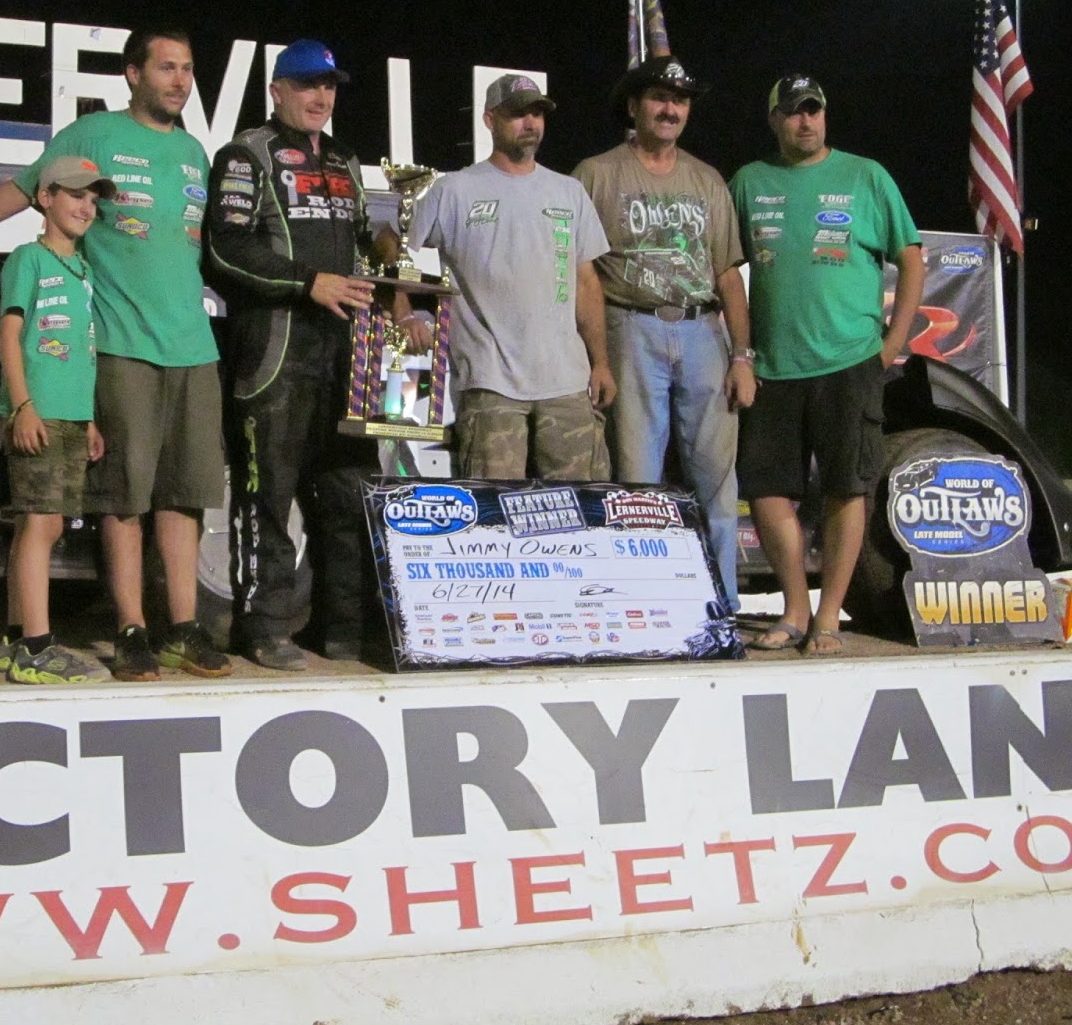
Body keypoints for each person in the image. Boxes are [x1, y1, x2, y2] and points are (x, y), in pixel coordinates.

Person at [0, 27, 231, 682]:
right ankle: (131, 629)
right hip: (124, 345)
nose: (180, 81)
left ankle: (183, 630)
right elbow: (14, 193)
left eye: (187, 69)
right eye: (166, 68)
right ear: (133, 73)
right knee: (123, 498)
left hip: (194, 346)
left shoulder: (194, 151)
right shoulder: (92, 136)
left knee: (184, 497)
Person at [203, 38, 403, 671]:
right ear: (278, 91)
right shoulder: (247, 154)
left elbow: (368, 248)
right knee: (267, 494)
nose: (321, 96)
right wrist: (307, 282)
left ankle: (342, 628)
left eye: (330, 86)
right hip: (276, 350)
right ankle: (262, 627)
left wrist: (399, 281)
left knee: (348, 493)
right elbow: (226, 250)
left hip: (347, 353)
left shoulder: (345, 160)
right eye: (308, 84)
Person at [729, 74, 925, 655]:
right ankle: (796, 607)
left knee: (846, 488)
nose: (806, 120)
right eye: (793, 112)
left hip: (850, 361)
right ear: (774, 119)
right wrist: (740, 353)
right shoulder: (748, 181)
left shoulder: (866, 176)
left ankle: (829, 615)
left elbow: (912, 261)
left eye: (813, 110)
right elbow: (724, 270)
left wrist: (890, 345)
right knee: (766, 492)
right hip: (772, 367)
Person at [573, 54, 754, 611]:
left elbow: (728, 275)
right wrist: (597, 358)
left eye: (680, 100)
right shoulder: (596, 173)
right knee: (637, 480)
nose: (671, 109)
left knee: (717, 482)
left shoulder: (707, 179)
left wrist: (743, 356)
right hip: (631, 327)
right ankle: (644, 604)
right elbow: (581, 273)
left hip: (703, 331)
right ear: (634, 106)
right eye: (659, 98)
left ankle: (721, 606)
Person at [410, 73, 613, 480]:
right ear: (490, 120)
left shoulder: (569, 191)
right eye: (518, 114)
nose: (530, 122)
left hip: (567, 380)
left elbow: (587, 283)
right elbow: (393, 245)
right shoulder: (454, 189)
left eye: (537, 113)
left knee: (581, 506)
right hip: (490, 380)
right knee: (495, 507)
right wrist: (404, 312)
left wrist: (601, 363)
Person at [0, 156, 111, 684]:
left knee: (38, 525)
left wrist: (89, 419)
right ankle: (38, 649)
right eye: (76, 195)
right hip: (37, 413)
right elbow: (9, 334)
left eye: (93, 199)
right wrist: (23, 406)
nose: (87, 207)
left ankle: (16, 641)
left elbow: (81, 352)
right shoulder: (28, 259)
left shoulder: (84, 269)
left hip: (70, 416)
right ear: (45, 198)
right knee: (42, 525)